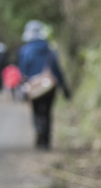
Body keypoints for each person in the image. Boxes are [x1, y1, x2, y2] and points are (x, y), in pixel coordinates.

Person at [17, 20, 70, 150]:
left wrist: (22, 87)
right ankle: (46, 141)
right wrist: (65, 88)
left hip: (34, 87)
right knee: (47, 112)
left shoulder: (25, 50)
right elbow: (57, 70)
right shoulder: (50, 49)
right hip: (50, 87)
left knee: (36, 111)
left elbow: (22, 72)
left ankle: (38, 129)